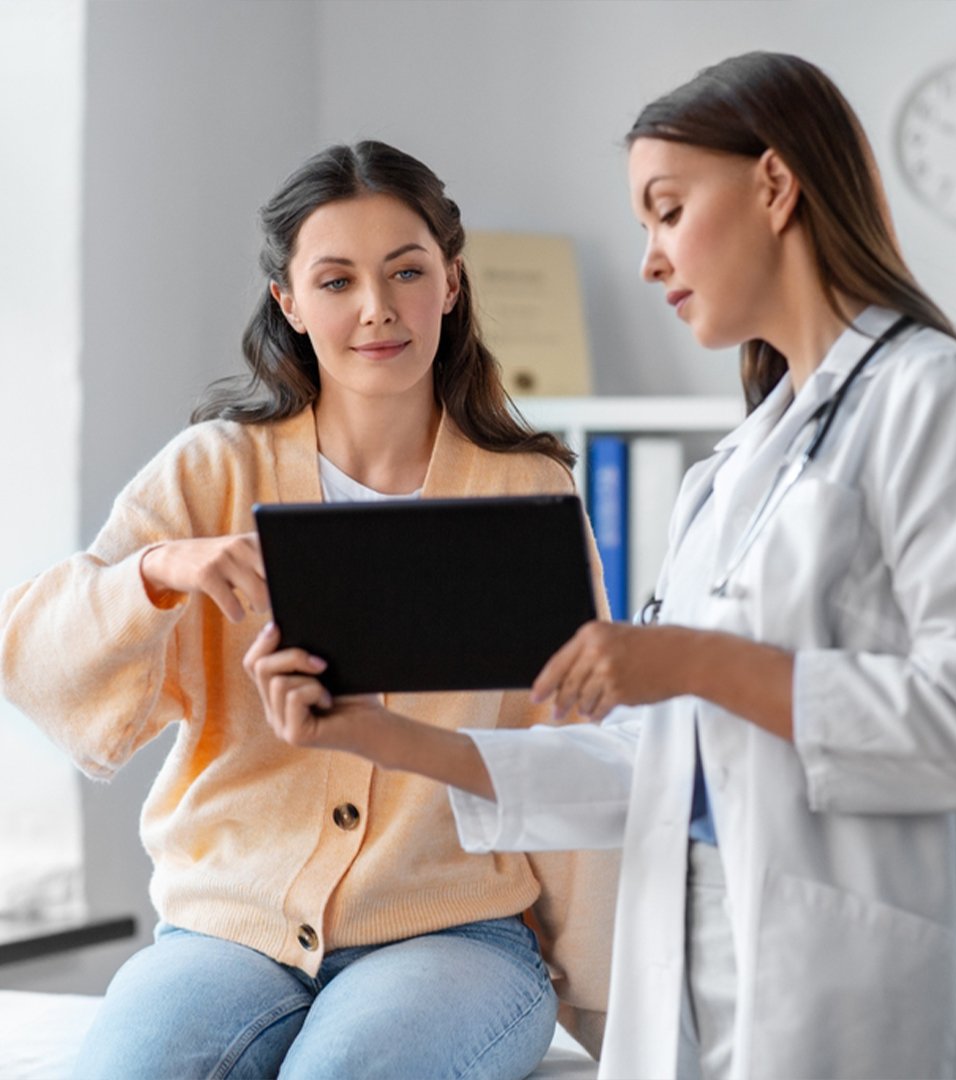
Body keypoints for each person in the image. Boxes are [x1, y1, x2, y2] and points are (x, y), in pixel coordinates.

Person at [246, 53, 956, 1080]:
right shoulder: (731, 472)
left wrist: (691, 661)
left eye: (668, 211)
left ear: (774, 186)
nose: (649, 259)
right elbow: (648, 765)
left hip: (869, 991)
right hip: (707, 976)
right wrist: (386, 735)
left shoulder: (943, 400)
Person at [0, 139, 619, 1079]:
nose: (376, 308)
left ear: (450, 284)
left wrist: (611, 1005)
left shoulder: (524, 492)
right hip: (227, 931)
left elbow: (569, 748)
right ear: (289, 302)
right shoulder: (212, 470)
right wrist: (159, 571)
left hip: (454, 935)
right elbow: (37, 660)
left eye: (406, 271)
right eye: (336, 280)